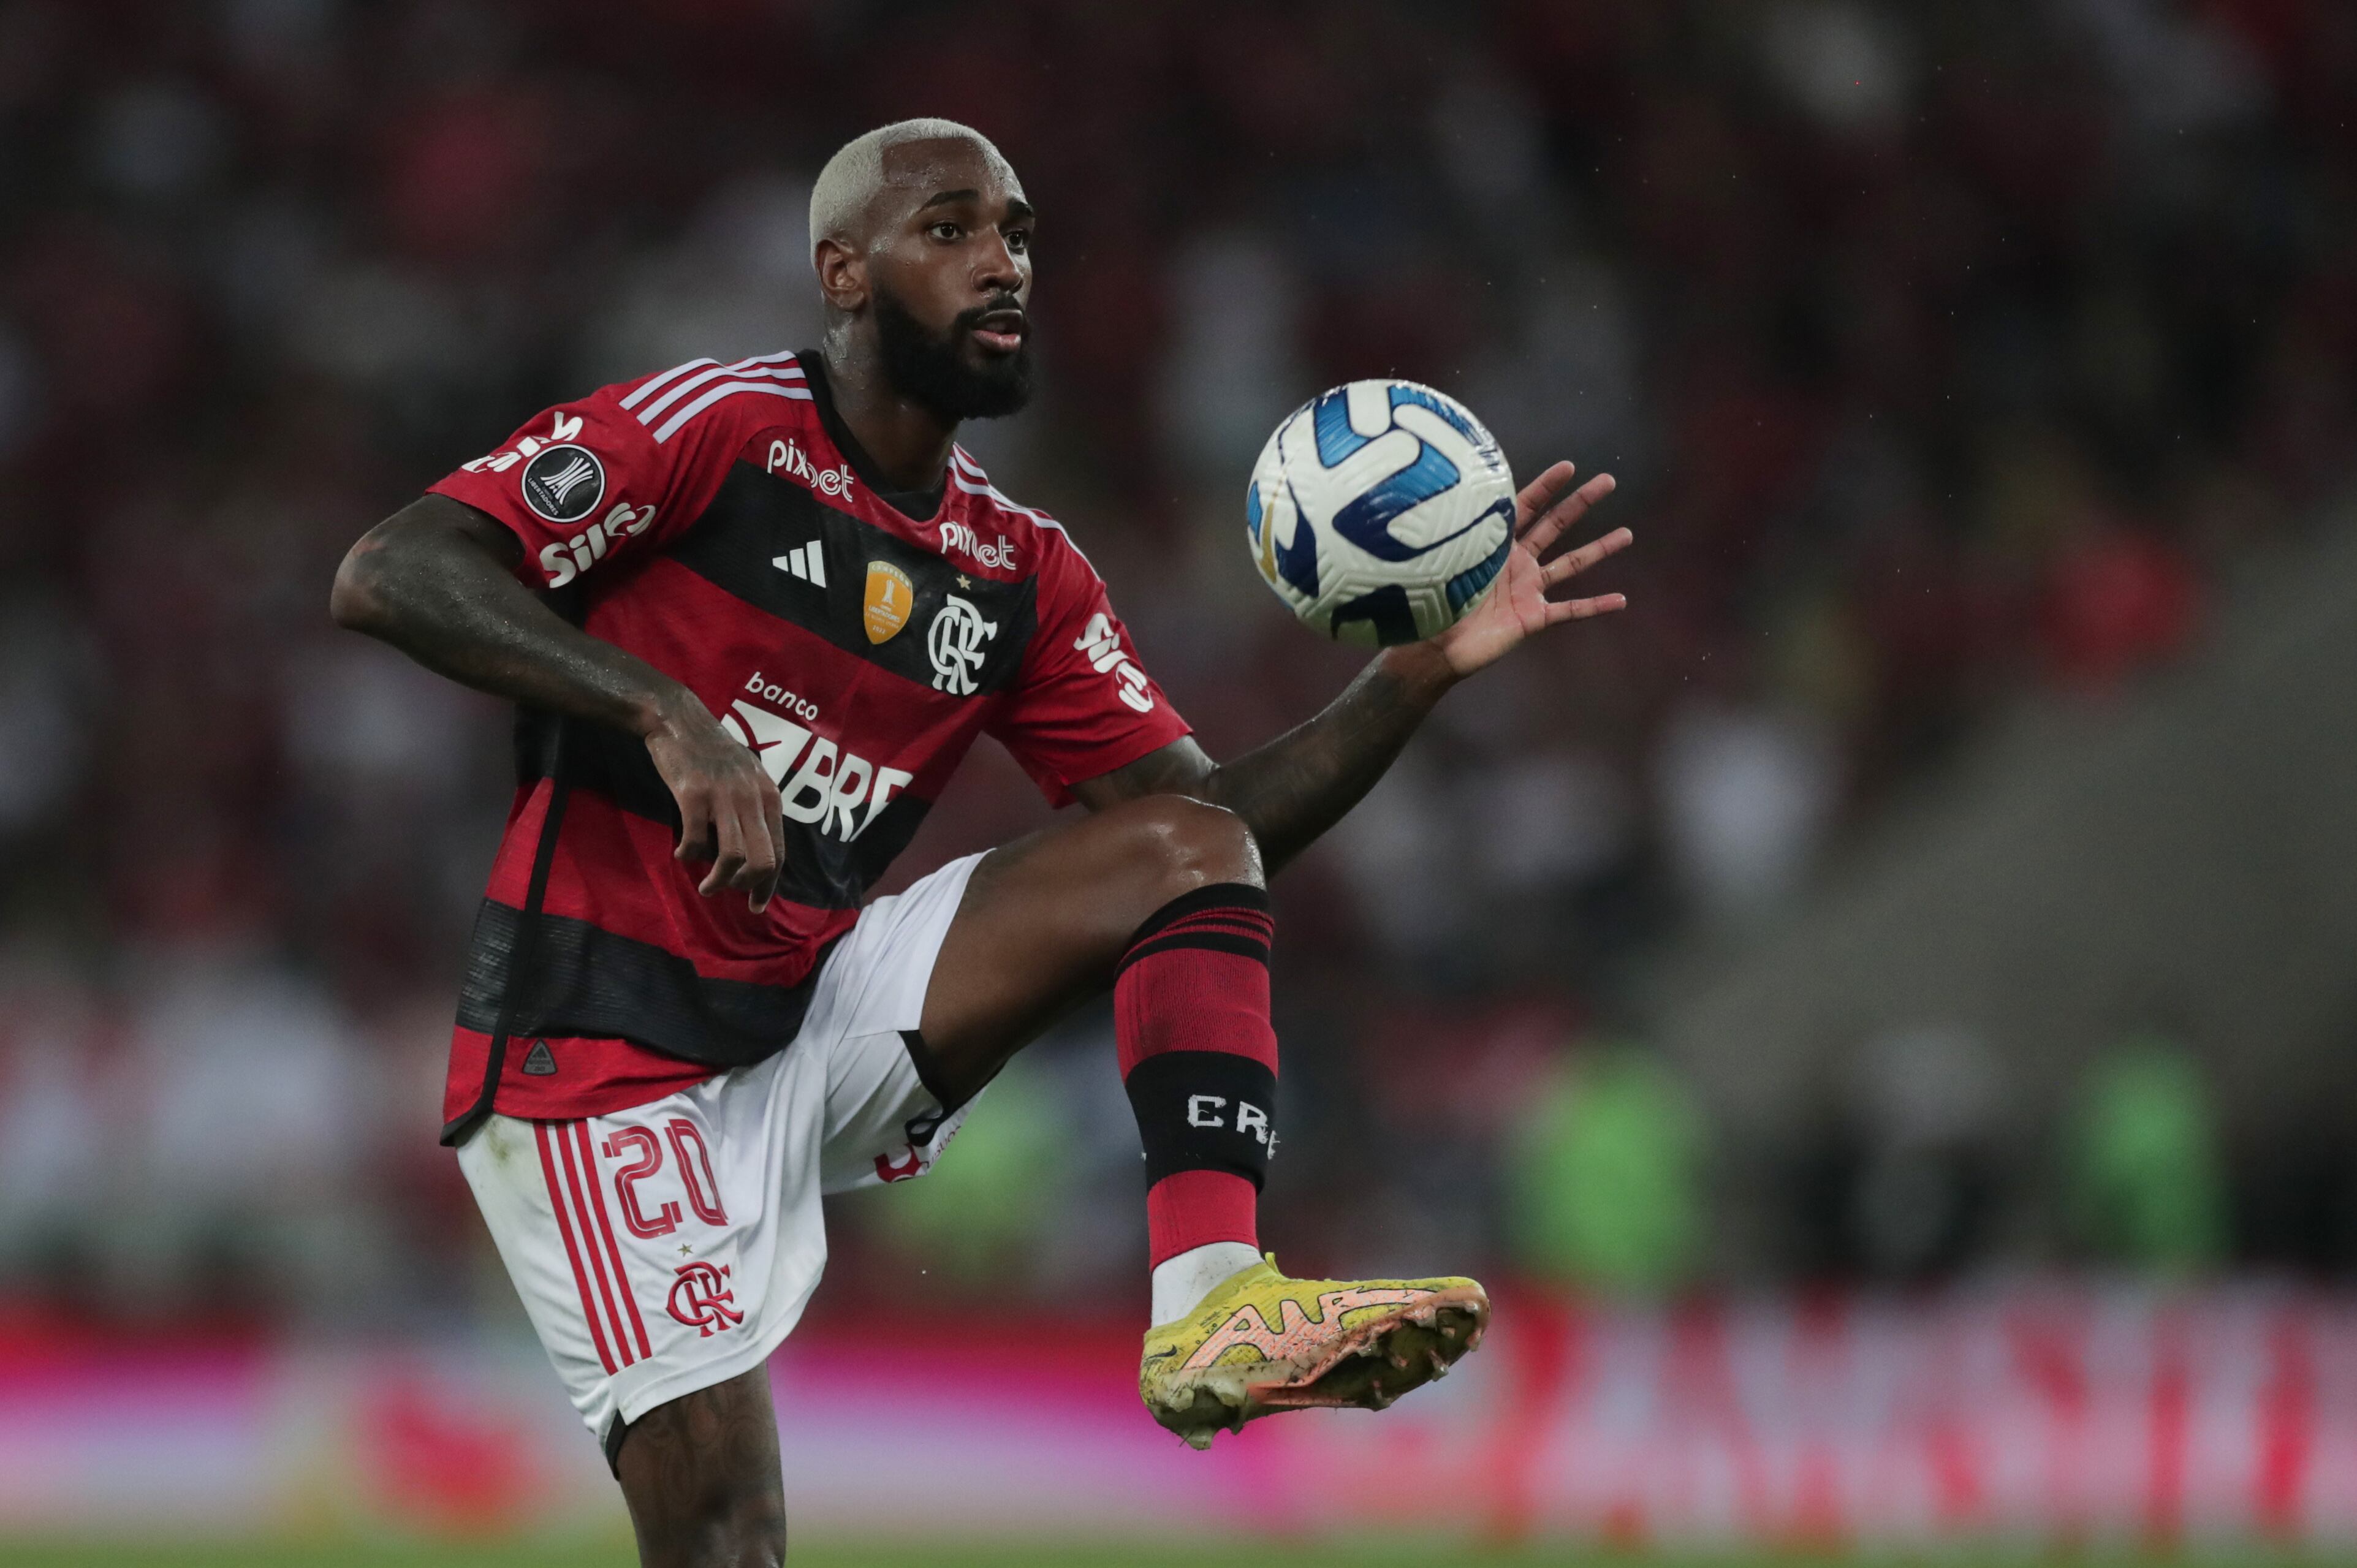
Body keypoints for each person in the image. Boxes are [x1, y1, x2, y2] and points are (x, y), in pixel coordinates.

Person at [330, 117, 1630, 1565]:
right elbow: (394, 569)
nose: (1002, 263)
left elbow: (1220, 834)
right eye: (950, 229)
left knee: (1179, 849)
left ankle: (1215, 1301)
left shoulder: (1019, 566)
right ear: (842, 272)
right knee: (728, 1544)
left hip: (810, 1012)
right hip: (599, 1055)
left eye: (1015, 232)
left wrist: (1409, 677)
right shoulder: (714, 427)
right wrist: (664, 711)